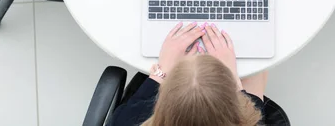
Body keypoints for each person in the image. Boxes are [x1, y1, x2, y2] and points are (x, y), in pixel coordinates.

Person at [108, 22, 271, 125]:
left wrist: (162, 71)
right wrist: (233, 75)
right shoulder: (251, 121)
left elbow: (138, 103)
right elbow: (250, 107)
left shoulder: (128, 120)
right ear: (231, 103)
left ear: (162, 100)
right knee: (256, 66)